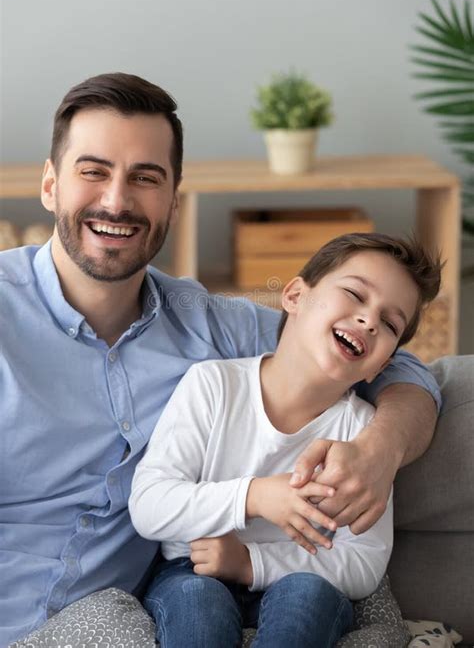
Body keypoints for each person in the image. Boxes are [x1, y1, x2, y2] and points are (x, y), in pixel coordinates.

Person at [0, 73, 441, 647]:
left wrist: (379, 451)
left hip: (115, 626)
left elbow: (403, 369)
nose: (116, 200)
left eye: (145, 177)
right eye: (93, 171)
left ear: (173, 201)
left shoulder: (212, 326)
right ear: (51, 185)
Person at [129, 233, 441, 648]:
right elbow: (150, 505)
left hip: (301, 576)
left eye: (389, 323)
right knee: (195, 598)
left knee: (308, 595)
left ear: (382, 364)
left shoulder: (363, 438)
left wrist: (252, 563)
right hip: (194, 568)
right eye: (354, 293)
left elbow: (363, 561)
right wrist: (254, 498)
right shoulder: (213, 385)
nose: (369, 321)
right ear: (294, 296)